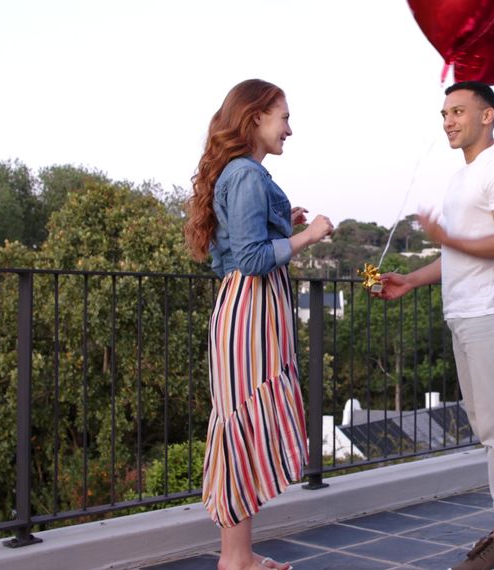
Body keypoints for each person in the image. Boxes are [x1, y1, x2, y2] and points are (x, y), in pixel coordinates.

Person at [376, 81, 494, 570]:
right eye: (444, 112)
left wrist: (445, 234)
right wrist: (410, 280)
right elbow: (457, 253)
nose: (448, 120)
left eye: (458, 111)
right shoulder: (463, 178)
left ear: (487, 115)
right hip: (467, 313)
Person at [184, 79, 333, 570]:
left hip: (243, 310)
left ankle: (239, 556)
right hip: (251, 311)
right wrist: (308, 236)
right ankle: (235, 559)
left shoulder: (240, 174)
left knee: (240, 427)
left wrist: (279, 220)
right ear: (255, 118)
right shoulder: (247, 174)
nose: (290, 128)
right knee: (243, 425)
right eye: (283, 117)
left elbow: (228, 252)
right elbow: (249, 259)